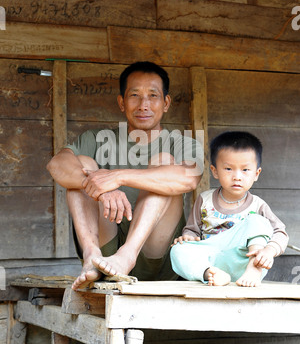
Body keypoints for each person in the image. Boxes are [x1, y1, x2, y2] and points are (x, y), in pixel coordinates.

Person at [47, 61, 203, 290]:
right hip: (105, 248)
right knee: (83, 164)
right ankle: (91, 257)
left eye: (153, 95)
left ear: (166, 102)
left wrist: (117, 177)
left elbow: (188, 179)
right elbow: (56, 165)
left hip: (156, 256)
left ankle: (127, 256)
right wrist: (97, 185)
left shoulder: (181, 143)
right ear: (122, 102)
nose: (143, 105)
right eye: (134, 95)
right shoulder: (96, 138)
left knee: (163, 163)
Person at [170, 131, 289, 287]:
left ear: (256, 173)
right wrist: (188, 238)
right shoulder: (204, 200)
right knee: (177, 250)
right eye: (228, 169)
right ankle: (210, 274)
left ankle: (254, 268)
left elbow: (281, 232)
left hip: (243, 262)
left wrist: (269, 251)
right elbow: (192, 230)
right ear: (214, 171)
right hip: (210, 258)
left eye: (245, 170)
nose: (237, 176)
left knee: (258, 221)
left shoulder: (258, 205)